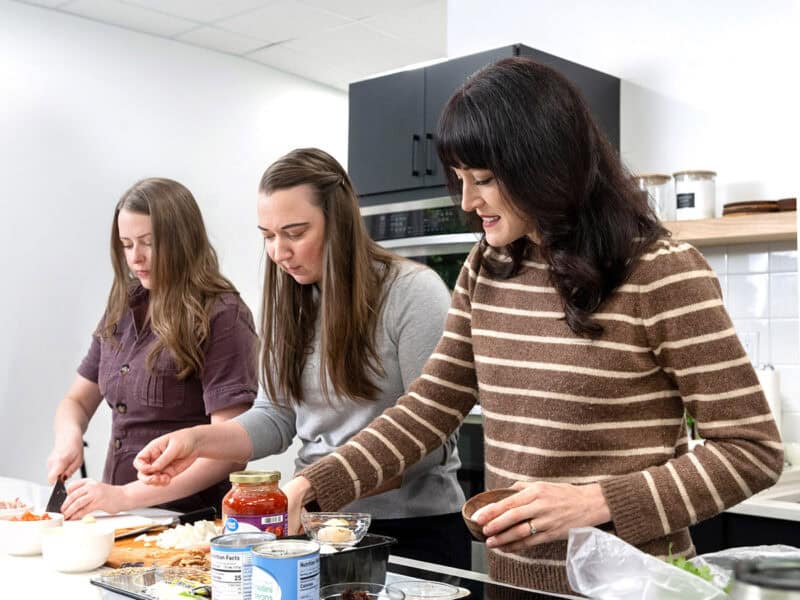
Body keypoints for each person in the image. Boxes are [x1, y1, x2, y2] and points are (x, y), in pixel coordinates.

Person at [259, 58, 778, 593]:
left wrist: (595, 503)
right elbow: (427, 409)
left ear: (545, 164)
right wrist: (310, 486)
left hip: (629, 584)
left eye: (482, 179)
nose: (466, 201)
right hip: (513, 586)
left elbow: (751, 450)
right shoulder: (487, 265)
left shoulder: (660, 272)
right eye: (460, 179)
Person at [134, 149, 471, 568]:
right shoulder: (289, 304)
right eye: (268, 236)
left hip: (411, 532)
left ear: (340, 222)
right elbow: (275, 417)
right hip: (312, 524)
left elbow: (428, 436)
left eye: (294, 233)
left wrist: (311, 486)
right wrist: (197, 441)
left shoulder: (413, 293)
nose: (278, 251)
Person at [47, 178, 258, 519]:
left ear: (183, 240)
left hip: (189, 521)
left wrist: (125, 496)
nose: (136, 258)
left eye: (148, 243)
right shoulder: (121, 306)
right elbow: (76, 402)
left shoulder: (223, 315)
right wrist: (68, 436)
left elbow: (231, 451)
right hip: (117, 516)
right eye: (126, 244)